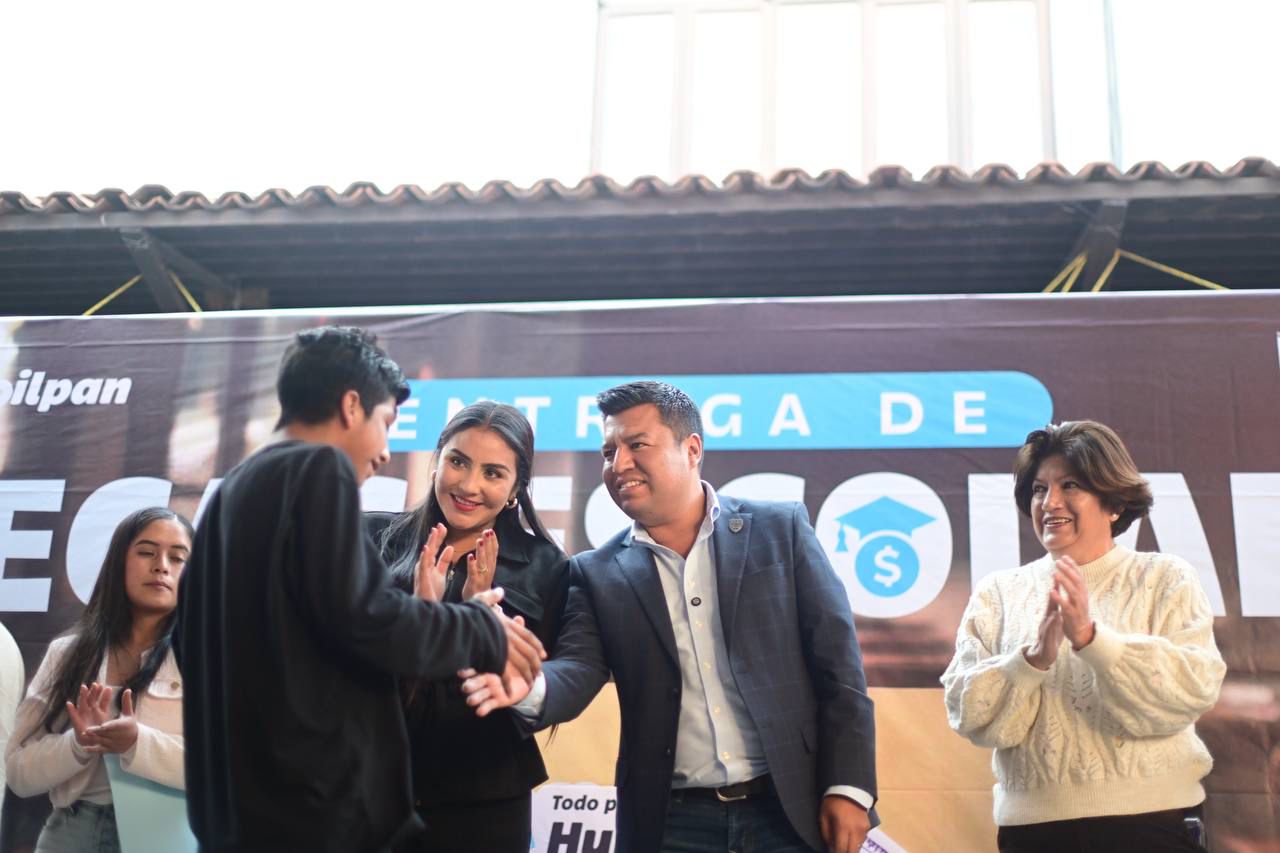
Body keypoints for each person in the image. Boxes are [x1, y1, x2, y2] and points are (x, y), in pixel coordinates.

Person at [462, 380, 878, 853]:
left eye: (637, 445)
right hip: (671, 825)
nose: (619, 464)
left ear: (692, 449)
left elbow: (839, 667)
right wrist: (529, 687)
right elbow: (577, 667)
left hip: (791, 811)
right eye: (608, 452)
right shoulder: (596, 572)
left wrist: (849, 786)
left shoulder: (780, 529)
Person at [175, 326, 546, 853]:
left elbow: (187, 641)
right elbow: (366, 618)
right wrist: (480, 627)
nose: (385, 452)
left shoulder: (234, 487)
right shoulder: (317, 465)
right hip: (307, 816)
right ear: (351, 406)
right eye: (385, 423)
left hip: (237, 814)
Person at [941, 420, 1226, 853]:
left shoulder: (1164, 577)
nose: (1050, 502)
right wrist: (1031, 660)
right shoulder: (998, 593)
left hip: (1151, 825)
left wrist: (1092, 640)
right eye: (1039, 489)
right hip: (1032, 833)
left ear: (1114, 502)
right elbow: (968, 714)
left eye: (1070, 485)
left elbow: (1192, 690)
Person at [367, 401, 569, 853]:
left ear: (516, 487)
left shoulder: (547, 568)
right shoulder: (371, 539)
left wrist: (481, 622)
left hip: (485, 800)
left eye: (493, 473)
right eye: (458, 461)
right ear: (437, 459)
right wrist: (421, 617)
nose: (469, 485)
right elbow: (341, 671)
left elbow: (533, 693)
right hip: (371, 790)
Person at [5, 507, 193, 852]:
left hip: (166, 836)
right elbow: (18, 773)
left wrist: (137, 742)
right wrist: (77, 744)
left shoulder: (208, 661)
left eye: (178, 557)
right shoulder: (68, 653)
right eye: (147, 552)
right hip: (70, 833)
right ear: (119, 561)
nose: (162, 566)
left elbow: (231, 769)